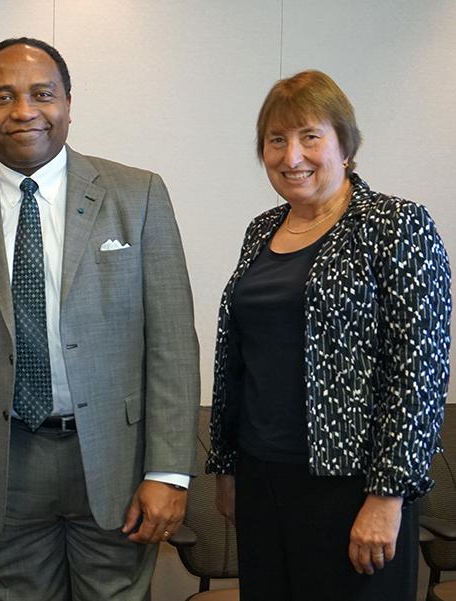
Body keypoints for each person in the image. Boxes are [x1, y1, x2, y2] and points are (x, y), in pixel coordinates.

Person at [0, 37, 200, 600]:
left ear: (68, 103)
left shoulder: (137, 195)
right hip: (2, 467)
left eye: (41, 94)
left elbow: (173, 343)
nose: (24, 111)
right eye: (2, 97)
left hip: (117, 463)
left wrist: (169, 471)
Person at [207, 69, 451, 600]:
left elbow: (420, 372)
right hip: (262, 475)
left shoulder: (394, 224)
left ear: (345, 143)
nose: (291, 156)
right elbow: (241, 358)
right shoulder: (261, 231)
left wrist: (388, 496)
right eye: (276, 140)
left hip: (352, 487)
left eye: (309, 136)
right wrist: (226, 466)